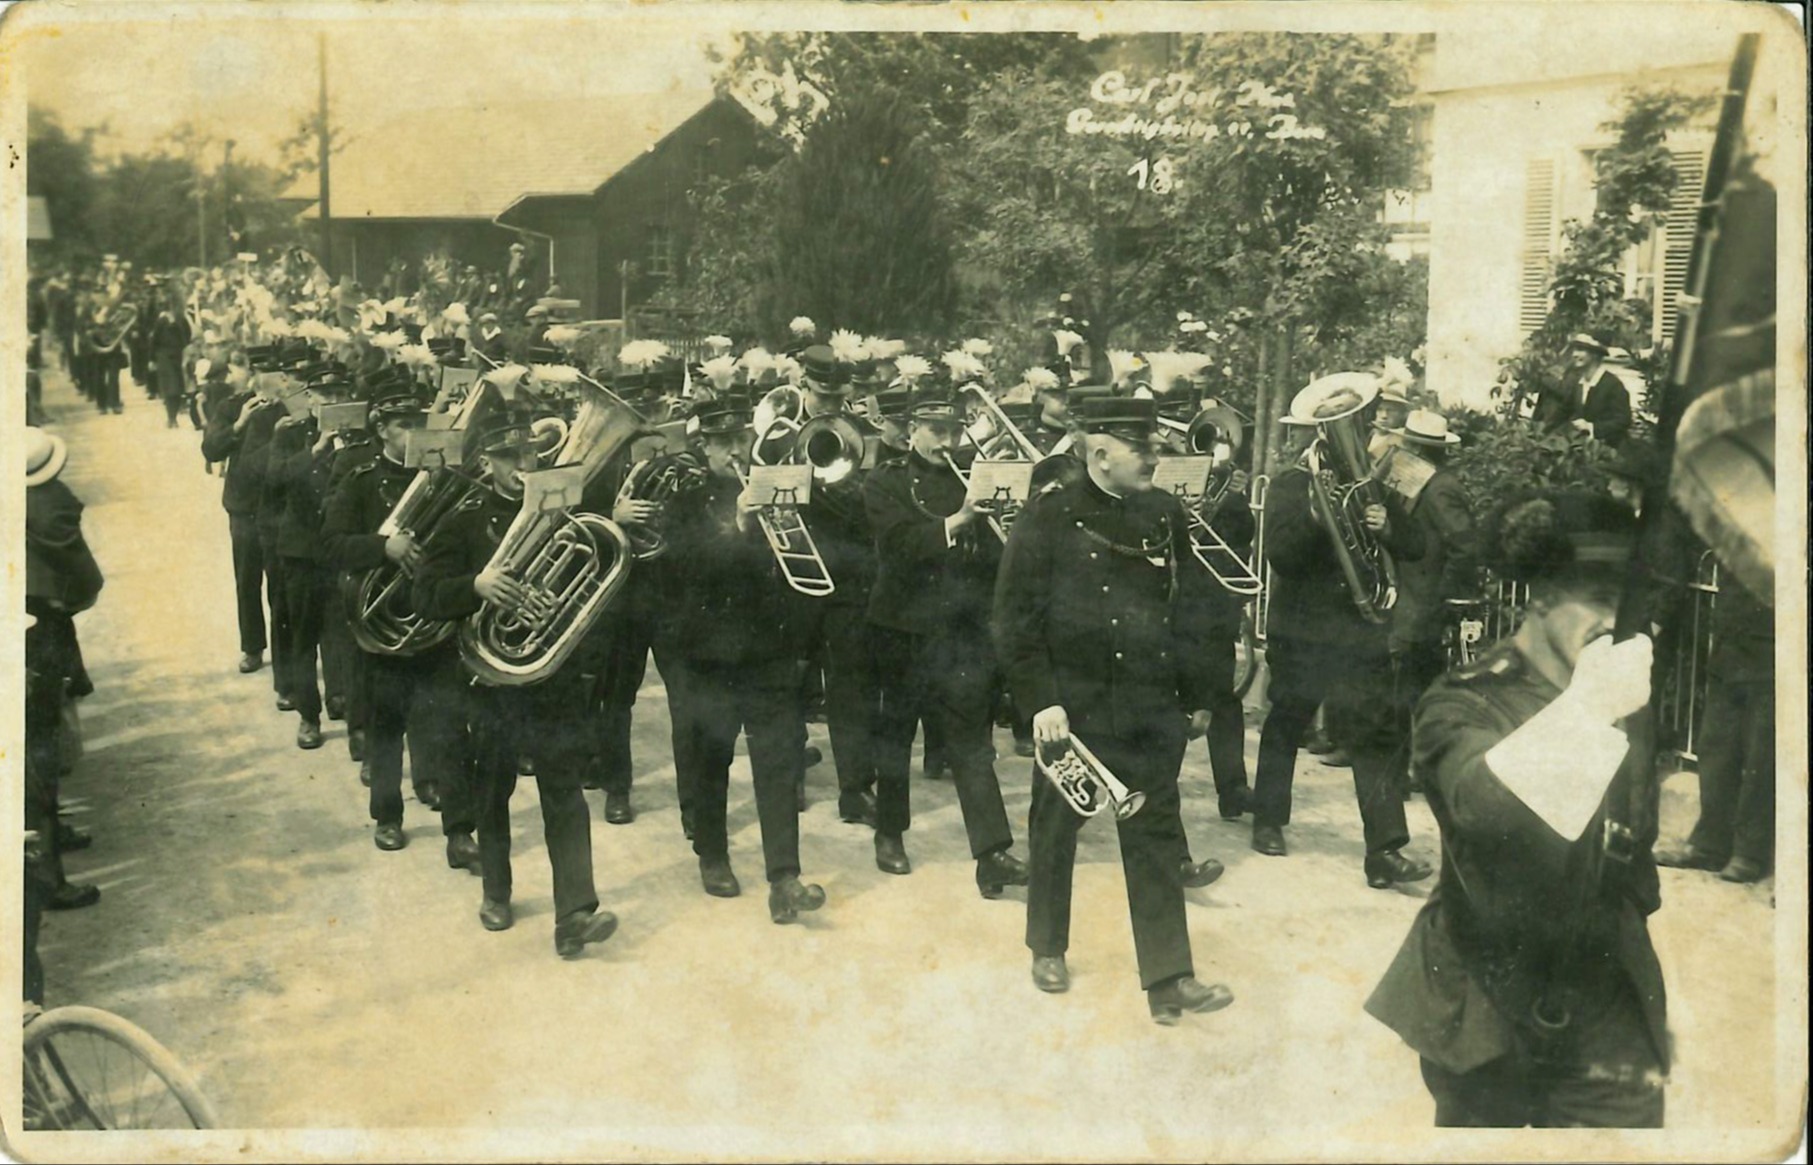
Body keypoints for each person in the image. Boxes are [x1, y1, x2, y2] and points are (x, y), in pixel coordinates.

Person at [1366, 492, 1667, 1128]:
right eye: (1599, 598)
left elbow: (1633, 852)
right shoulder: (1464, 700)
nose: (1620, 623)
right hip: (1484, 997)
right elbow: (1482, 808)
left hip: (1601, 997)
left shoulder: (1620, 694)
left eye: (1632, 605)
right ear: (1540, 598)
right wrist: (1586, 712)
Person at [994, 395, 1233, 1024]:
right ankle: (1047, 945)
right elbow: (1014, 620)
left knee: (1154, 835)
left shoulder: (1163, 511)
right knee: (1055, 825)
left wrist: (1201, 693)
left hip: (1148, 704)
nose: (1155, 457)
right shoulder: (1048, 516)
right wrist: (1040, 700)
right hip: (1072, 711)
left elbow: (1191, 607)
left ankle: (1169, 979)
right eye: (1141, 447)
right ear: (1100, 452)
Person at [411, 418, 621, 954]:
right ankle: (497, 891)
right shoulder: (464, 521)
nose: (523, 467)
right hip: (490, 676)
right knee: (492, 788)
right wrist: (475, 586)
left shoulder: (562, 516)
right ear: (488, 462)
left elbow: (593, 580)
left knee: (564, 792)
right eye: (509, 457)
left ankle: (575, 913)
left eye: (528, 455)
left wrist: (562, 605)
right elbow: (425, 595)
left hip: (550, 674)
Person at [1251, 374, 1433, 888]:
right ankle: (1268, 818)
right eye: (1342, 423)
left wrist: (1388, 527)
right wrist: (1316, 518)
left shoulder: (1372, 480)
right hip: (1305, 629)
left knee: (1373, 735)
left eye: (1354, 419)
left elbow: (1415, 544)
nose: (1353, 428)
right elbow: (1280, 556)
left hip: (1359, 629)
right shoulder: (1292, 482)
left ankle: (1385, 851)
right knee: (1288, 720)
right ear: (1318, 430)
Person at [663, 396, 828, 924]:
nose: (736, 450)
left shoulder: (772, 490)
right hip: (707, 653)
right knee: (711, 759)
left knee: (778, 761)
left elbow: (797, 569)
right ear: (704, 445)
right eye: (724, 442)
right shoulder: (684, 498)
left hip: (766, 651)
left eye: (741, 439)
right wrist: (736, 522)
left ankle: (785, 877)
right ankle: (712, 854)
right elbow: (685, 567)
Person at [862, 385, 1030, 892]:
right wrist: (960, 519)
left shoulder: (976, 477)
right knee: (896, 735)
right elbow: (898, 546)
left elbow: (997, 558)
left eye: (955, 431)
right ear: (912, 430)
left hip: (961, 630)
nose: (947, 440)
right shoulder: (884, 481)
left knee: (971, 743)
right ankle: (889, 833)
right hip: (902, 628)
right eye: (936, 431)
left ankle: (992, 853)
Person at [321, 392, 477, 863]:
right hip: (384, 625)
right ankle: (388, 816)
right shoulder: (361, 481)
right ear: (382, 429)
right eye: (404, 423)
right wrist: (381, 548)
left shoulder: (447, 482)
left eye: (419, 421)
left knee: (450, 726)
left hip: (434, 620)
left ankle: (459, 831)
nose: (415, 431)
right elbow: (331, 543)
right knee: (386, 726)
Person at [788, 345, 883, 828]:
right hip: (794, 572)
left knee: (851, 683)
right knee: (790, 679)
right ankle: (789, 776)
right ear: (804, 385)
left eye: (838, 396)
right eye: (822, 395)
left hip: (847, 575)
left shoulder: (861, 433)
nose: (830, 405)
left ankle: (855, 789)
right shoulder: (777, 432)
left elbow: (871, 507)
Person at [24, 427, 104, 912]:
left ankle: (52, 841)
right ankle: (49, 876)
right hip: (38, 632)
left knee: (42, 745)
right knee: (39, 751)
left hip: (32, 625)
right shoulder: (50, 503)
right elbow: (80, 572)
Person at [1654, 570, 1773, 883]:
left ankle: (1750, 853)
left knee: (1760, 758)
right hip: (1729, 649)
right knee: (1715, 750)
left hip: (1770, 657)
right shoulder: (1739, 539)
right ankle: (1710, 845)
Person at [1381, 409, 1477, 798]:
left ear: (1420, 449)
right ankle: (1411, 771)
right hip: (1412, 600)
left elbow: (1465, 545)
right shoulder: (1418, 479)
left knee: (1409, 690)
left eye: (1406, 444)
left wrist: (1444, 599)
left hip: (1423, 604)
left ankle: (1407, 773)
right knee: (1412, 689)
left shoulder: (1440, 487)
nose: (1400, 448)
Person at [201, 352, 287, 674]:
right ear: (253, 375)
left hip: (279, 507)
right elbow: (211, 449)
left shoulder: (290, 407)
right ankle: (252, 647)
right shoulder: (232, 406)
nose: (270, 379)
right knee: (247, 579)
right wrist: (239, 424)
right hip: (244, 508)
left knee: (280, 585)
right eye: (263, 371)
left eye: (276, 372)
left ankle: (284, 654)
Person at [1531, 334, 1631, 448]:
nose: (1574, 354)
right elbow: (1564, 411)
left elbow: (1623, 420)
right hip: (1584, 446)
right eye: (1574, 350)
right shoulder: (1579, 383)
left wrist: (1591, 427)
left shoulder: (1612, 385)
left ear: (1594, 354)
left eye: (1581, 350)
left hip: (1610, 448)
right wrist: (1542, 432)